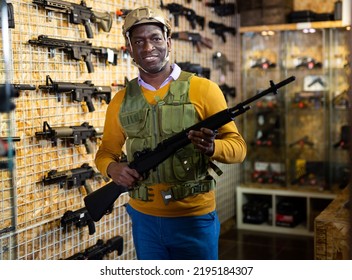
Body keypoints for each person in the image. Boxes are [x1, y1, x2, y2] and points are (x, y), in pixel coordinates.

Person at [95, 6, 247, 260]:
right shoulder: (120, 100)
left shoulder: (204, 89)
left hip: (194, 218)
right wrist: (113, 169)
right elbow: (105, 153)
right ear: (129, 48)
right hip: (144, 220)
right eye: (139, 41)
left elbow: (238, 148)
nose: (148, 47)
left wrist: (213, 148)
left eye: (155, 38)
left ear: (168, 41)